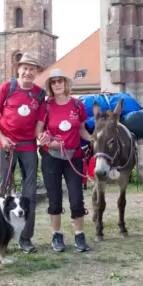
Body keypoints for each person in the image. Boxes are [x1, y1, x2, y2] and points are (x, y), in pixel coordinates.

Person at [0, 53, 46, 254]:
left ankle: (26, 239)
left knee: (29, 193)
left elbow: (39, 126)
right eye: (25, 68)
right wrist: (3, 139)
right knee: (2, 192)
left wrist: (42, 137)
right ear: (18, 69)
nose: (28, 72)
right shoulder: (7, 88)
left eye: (32, 69)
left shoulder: (39, 94)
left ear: (37, 72)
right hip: (5, 145)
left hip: (28, 146)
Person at [35, 68, 92, 253]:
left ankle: (79, 235)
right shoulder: (47, 106)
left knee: (77, 198)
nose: (57, 84)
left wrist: (93, 139)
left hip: (73, 157)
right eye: (53, 82)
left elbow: (82, 130)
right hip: (51, 157)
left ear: (66, 83)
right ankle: (57, 235)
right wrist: (48, 142)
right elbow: (39, 131)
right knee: (55, 198)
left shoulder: (77, 105)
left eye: (60, 80)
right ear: (50, 86)